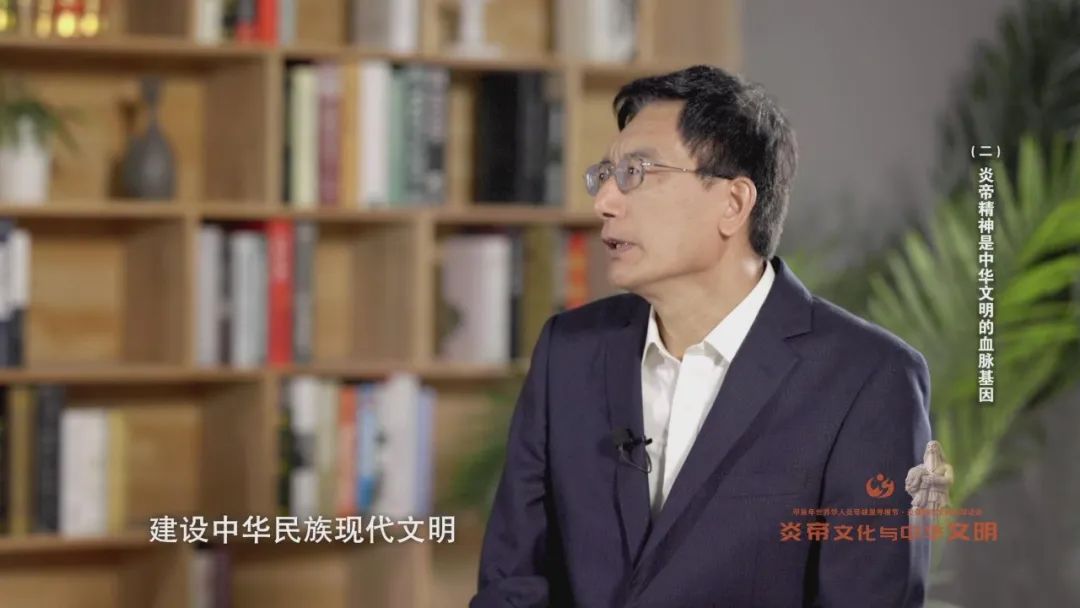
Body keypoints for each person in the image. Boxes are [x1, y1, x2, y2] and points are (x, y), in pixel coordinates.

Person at [470, 65, 933, 608]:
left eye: (637, 172)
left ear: (733, 204)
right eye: (605, 175)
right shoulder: (568, 353)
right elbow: (512, 583)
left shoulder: (868, 379)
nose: (605, 202)